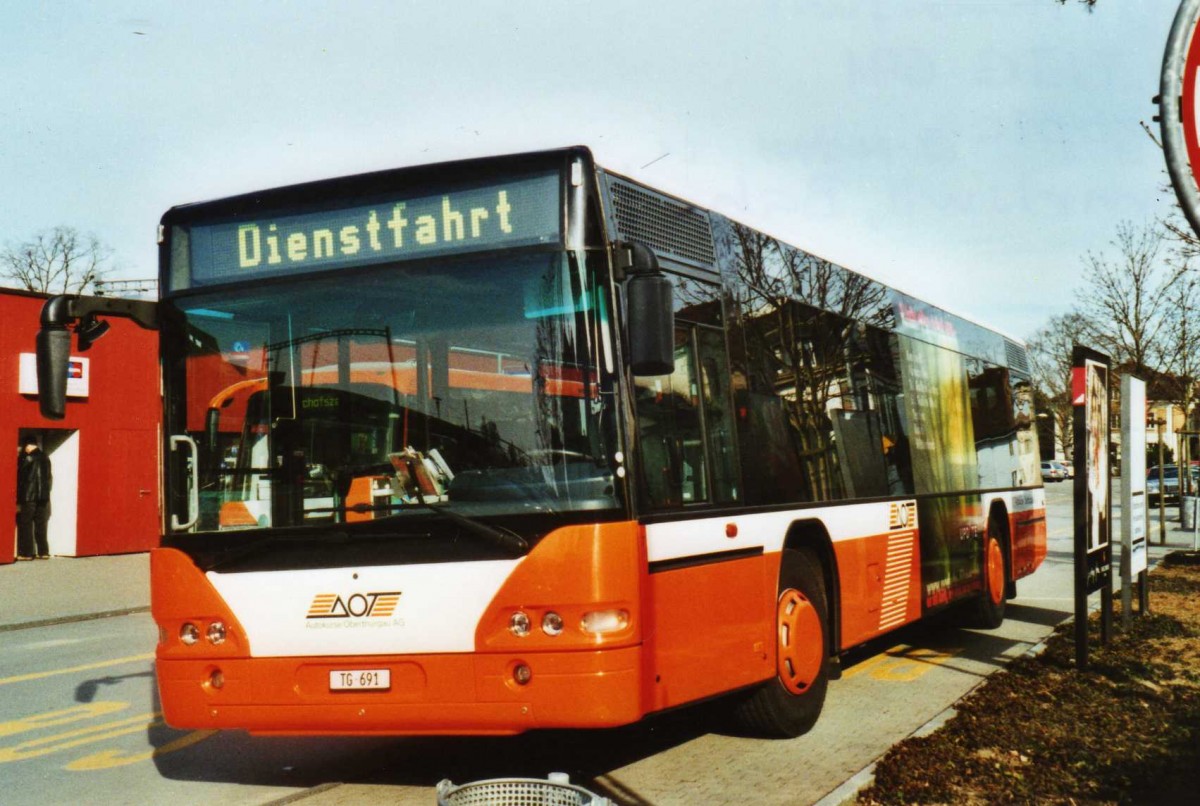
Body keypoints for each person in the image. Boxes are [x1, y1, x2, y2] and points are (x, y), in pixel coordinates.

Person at [16, 437, 52, 560]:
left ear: (27, 445)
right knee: (41, 524)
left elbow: (20, 476)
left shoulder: (26, 458)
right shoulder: (45, 457)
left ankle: (26, 553)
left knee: (25, 523)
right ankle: (43, 552)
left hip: (28, 495)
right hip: (43, 496)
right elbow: (48, 477)